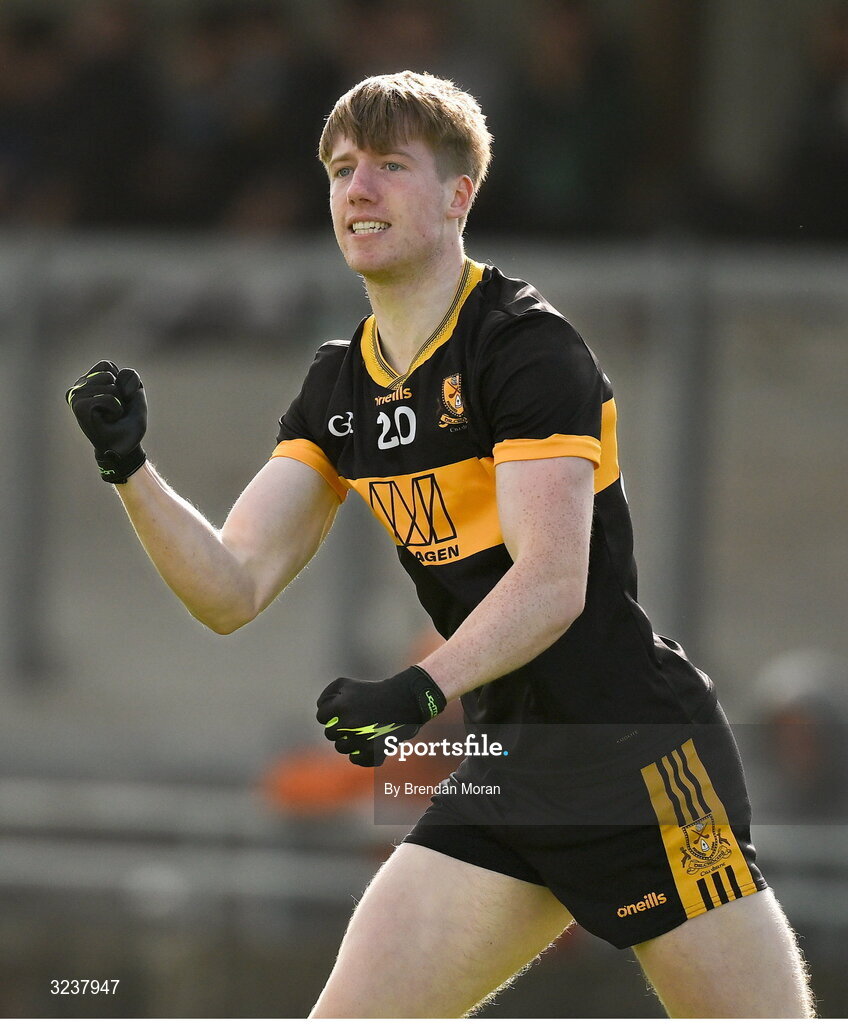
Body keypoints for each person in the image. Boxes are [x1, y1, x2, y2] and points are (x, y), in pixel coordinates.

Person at [66, 71, 815, 1018]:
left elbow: (554, 584)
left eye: (388, 166)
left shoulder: (526, 349)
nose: (357, 190)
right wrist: (130, 470)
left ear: (460, 194)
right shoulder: (337, 388)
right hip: (507, 766)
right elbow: (230, 588)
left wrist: (418, 690)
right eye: (341, 170)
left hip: (634, 755)